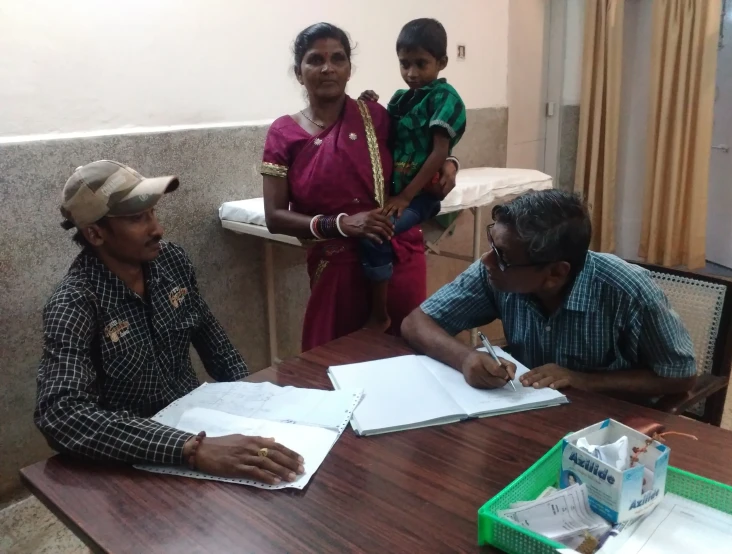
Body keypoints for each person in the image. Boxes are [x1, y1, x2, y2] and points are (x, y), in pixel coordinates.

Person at [35, 160, 304, 485]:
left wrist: (255, 403)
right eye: (137, 218)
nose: (157, 229)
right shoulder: (76, 302)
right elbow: (61, 415)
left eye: (153, 212)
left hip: (198, 424)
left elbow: (210, 336)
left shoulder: (171, 261)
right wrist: (190, 449)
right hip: (133, 457)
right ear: (95, 233)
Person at [261, 23, 459, 350]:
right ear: (299, 72)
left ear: (349, 69)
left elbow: (421, 147)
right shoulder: (283, 134)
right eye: (315, 60)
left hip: (397, 256)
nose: (327, 68)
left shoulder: (376, 116)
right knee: (334, 368)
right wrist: (341, 224)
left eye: (338, 58)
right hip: (335, 269)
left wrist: (451, 162)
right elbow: (274, 216)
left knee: (404, 364)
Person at [401, 189, 697, 397]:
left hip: (608, 433)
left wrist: (584, 381)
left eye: (503, 256)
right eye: (493, 245)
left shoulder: (628, 290)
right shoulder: (493, 271)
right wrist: (465, 358)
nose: (486, 260)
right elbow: (415, 323)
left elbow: (681, 375)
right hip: (530, 418)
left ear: (555, 273)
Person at [357, 18, 466, 331]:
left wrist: (405, 196)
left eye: (421, 64)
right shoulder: (401, 100)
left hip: (418, 197)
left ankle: (380, 312)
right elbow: (386, 137)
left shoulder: (444, 98)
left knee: (377, 232)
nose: (412, 73)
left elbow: (439, 152)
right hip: (398, 195)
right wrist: (371, 107)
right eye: (405, 64)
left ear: (441, 62)